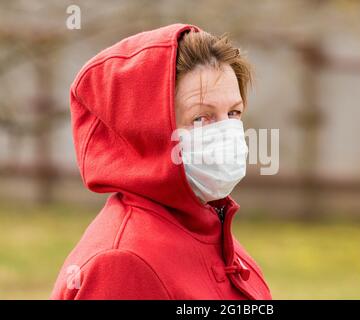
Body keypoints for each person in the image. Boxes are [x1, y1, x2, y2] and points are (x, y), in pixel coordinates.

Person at [51, 23, 272, 300]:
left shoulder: (209, 230)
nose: (226, 132)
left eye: (233, 112)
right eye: (201, 118)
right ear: (148, 132)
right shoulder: (121, 263)